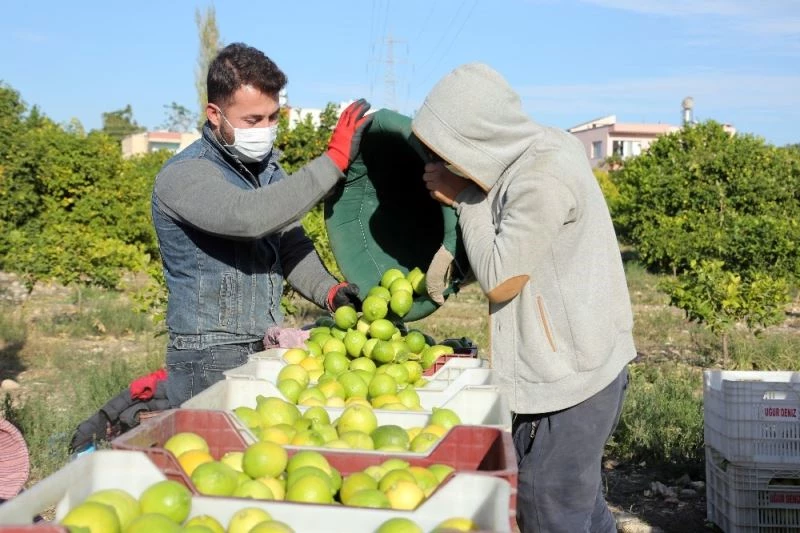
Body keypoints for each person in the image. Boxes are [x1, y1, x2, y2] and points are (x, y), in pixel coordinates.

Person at [412, 63, 635, 532]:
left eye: (449, 149)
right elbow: (516, 246)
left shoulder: (542, 176)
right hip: (581, 368)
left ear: (474, 134)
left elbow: (503, 279)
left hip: (570, 384)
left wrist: (464, 198)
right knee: (580, 505)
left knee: (547, 510)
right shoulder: (539, 151)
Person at [151, 43, 370, 407]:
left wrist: (329, 292)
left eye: (272, 117)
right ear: (215, 114)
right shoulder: (185, 175)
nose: (266, 130)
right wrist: (333, 162)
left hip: (264, 345)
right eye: (253, 121)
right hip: (207, 356)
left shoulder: (268, 172)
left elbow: (290, 245)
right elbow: (249, 217)